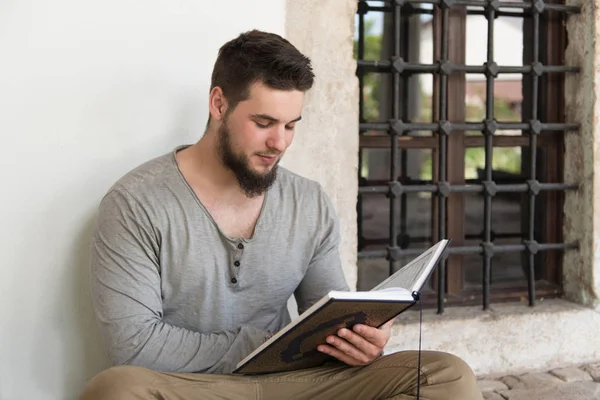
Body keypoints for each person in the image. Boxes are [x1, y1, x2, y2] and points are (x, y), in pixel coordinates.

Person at [79, 29, 482, 400]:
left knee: (447, 375)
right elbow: (134, 345)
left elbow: (325, 313)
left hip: (295, 384)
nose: (279, 142)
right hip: (198, 388)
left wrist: (360, 339)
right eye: (263, 122)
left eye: (291, 125)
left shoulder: (309, 202)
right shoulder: (136, 203)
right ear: (219, 103)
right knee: (116, 389)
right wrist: (266, 346)